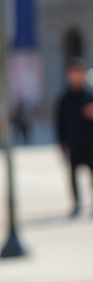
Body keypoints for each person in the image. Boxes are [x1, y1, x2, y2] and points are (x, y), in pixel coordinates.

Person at [55, 57, 93, 217]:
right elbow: (59, 122)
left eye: (79, 73)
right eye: (73, 73)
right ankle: (77, 203)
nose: (76, 76)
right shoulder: (64, 99)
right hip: (73, 144)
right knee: (72, 175)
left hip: (91, 143)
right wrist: (61, 142)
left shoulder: (90, 96)